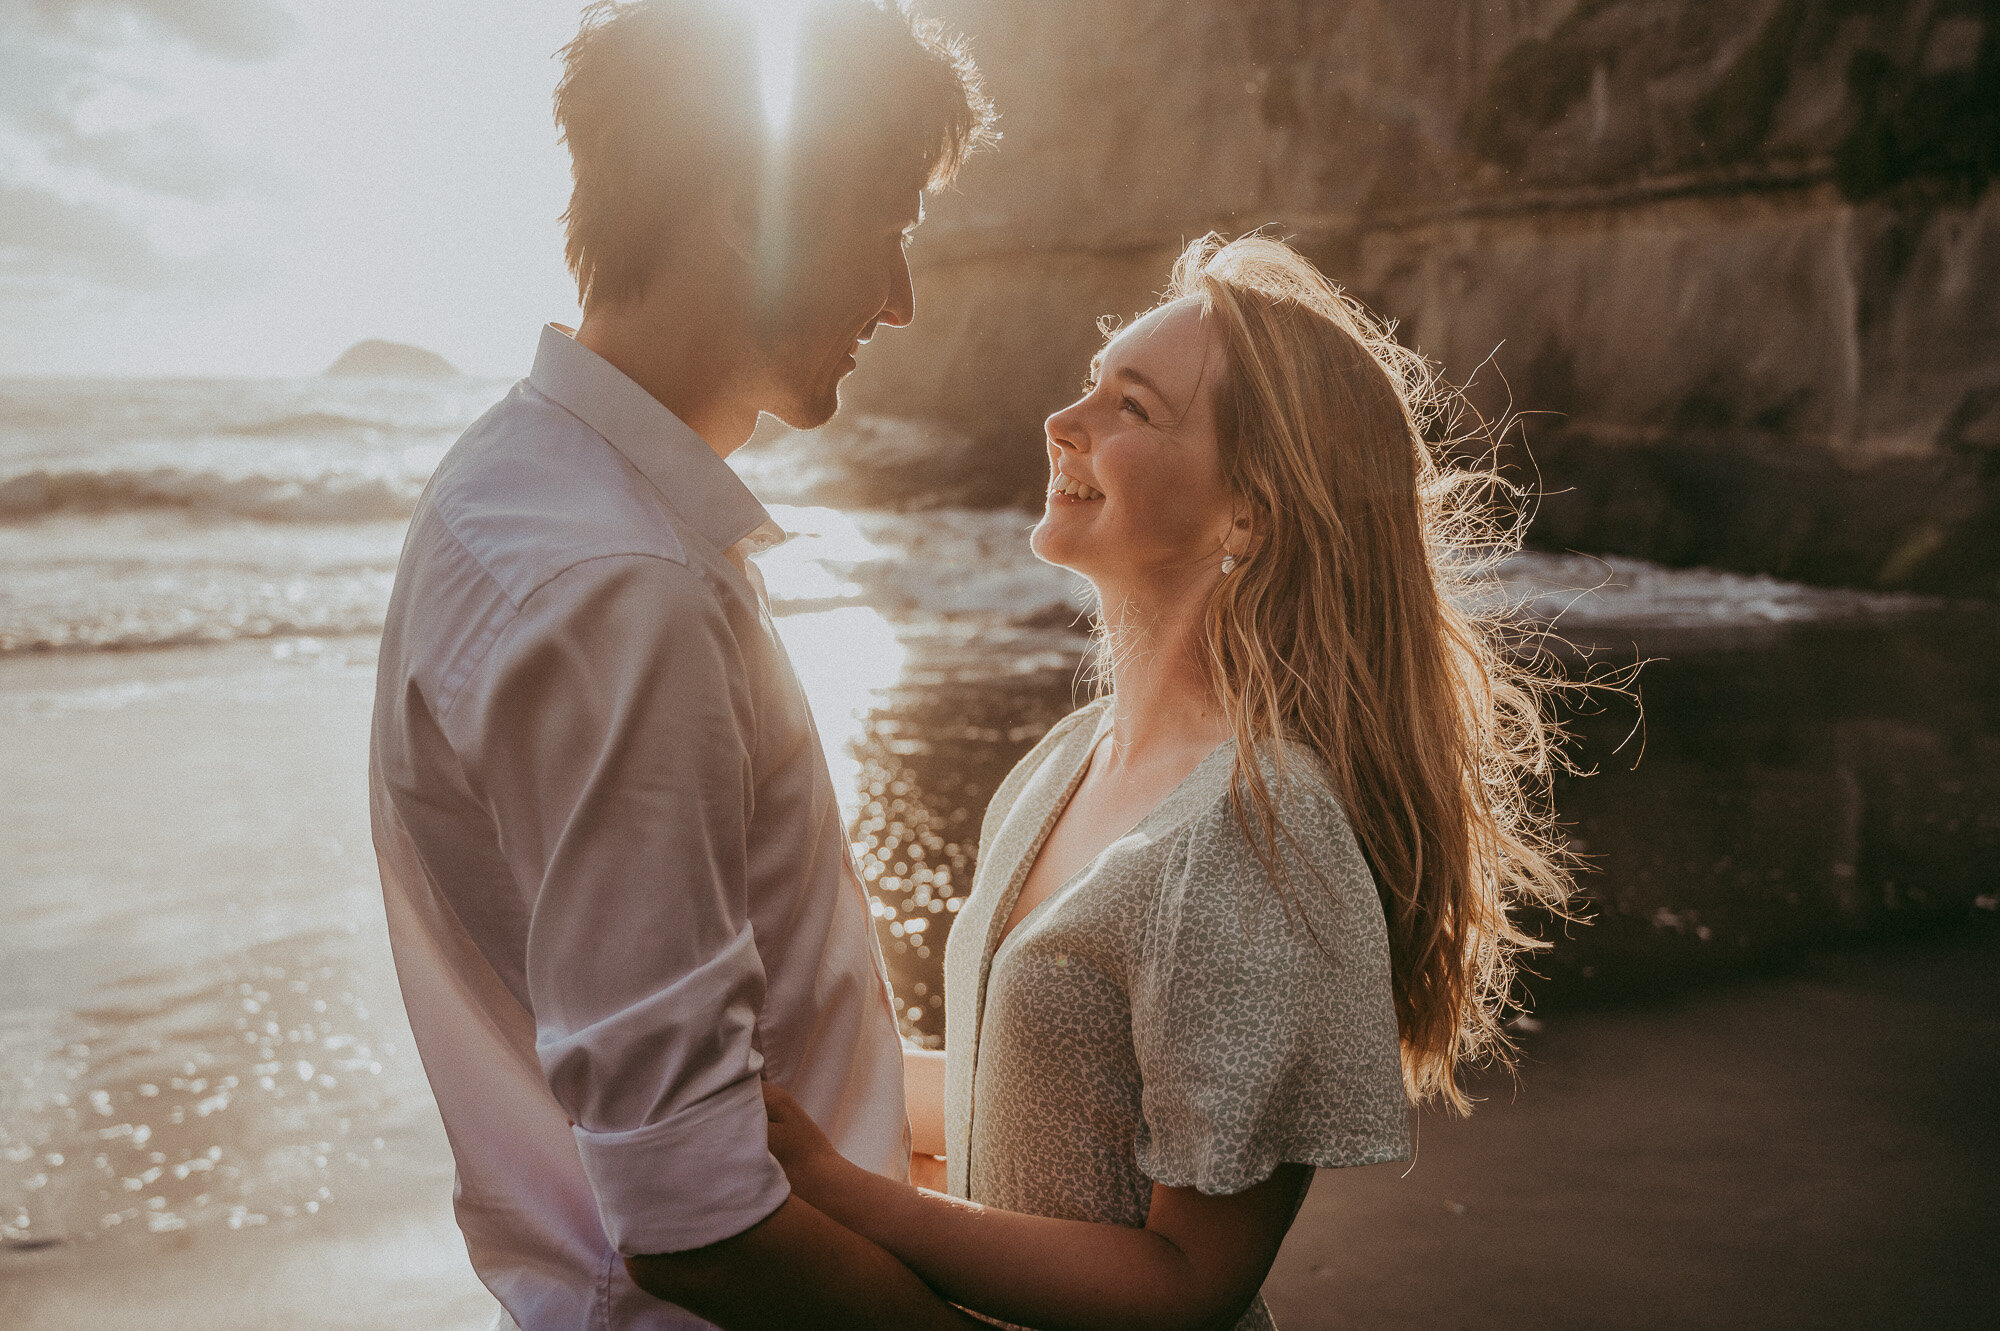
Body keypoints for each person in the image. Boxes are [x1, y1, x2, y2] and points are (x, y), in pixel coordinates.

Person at [761, 232, 1580, 1331]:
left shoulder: (1261, 824)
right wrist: (770, 1078)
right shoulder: (1065, 760)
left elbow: (1188, 1282)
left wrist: (850, 1199)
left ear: (1249, 509)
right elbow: (1020, 1103)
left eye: (1131, 408)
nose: (1065, 420)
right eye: (1091, 385)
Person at [367, 2, 995, 1328]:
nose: (900, 295)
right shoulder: (620, 587)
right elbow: (698, 1217)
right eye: (882, 221)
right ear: (746, 213)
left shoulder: (527, 487)